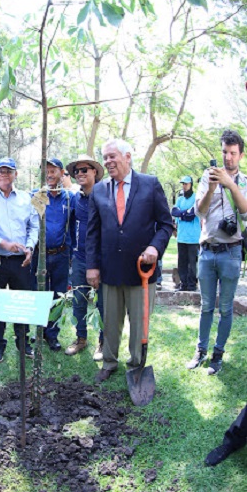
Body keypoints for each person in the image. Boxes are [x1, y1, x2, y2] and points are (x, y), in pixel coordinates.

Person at [86, 139, 173, 383]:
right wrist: (92, 266)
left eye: (112, 156)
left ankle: (136, 364)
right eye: (105, 157)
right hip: (110, 270)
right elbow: (92, 232)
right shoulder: (99, 190)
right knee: (111, 322)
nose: (108, 161)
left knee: (139, 324)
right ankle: (109, 362)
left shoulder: (150, 184)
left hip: (142, 270)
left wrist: (155, 247)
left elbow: (166, 224)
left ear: (127, 156)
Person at [186, 130, 247, 376]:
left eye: (233, 153)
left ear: (241, 155)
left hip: (231, 252)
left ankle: (218, 354)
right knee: (206, 306)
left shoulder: (243, 181)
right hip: (207, 251)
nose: (228, 157)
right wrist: (211, 188)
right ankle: (200, 350)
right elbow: (199, 211)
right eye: (224, 152)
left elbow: (245, 211)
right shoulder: (205, 177)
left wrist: (230, 184)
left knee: (226, 308)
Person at [0, 157, 39, 363]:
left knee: (23, 302)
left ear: (16, 174)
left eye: (9, 171)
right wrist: (3, 244)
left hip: (21, 261)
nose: (4, 175)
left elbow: (34, 226)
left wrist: (30, 247)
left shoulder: (27, 198)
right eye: (1, 171)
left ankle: (23, 342)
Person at [30, 157, 76, 351]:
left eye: (53, 170)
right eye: (46, 170)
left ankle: (52, 334)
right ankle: (39, 331)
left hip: (61, 254)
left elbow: (73, 225)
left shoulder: (69, 197)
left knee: (58, 295)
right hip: (39, 255)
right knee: (40, 293)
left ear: (61, 172)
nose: (49, 174)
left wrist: (71, 251)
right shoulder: (36, 195)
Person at [64, 155, 105, 360]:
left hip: (102, 259)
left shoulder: (105, 195)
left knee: (103, 303)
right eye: (77, 171)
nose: (80, 174)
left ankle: (103, 342)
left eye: (84, 170)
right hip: (79, 258)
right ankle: (81, 338)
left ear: (94, 172)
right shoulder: (75, 198)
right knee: (79, 301)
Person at [171, 175, 201, 291]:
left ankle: (192, 285)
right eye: (183, 184)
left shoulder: (196, 198)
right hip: (181, 236)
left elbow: (191, 215)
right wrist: (185, 213)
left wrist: (182, 213)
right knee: (182, 262)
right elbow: (174, 211)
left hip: (193, 237)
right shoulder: (180, 199)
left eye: (186, 184)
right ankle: (183, 284)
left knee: (192, 263)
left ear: (191, 184)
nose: (184, 186)